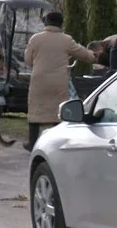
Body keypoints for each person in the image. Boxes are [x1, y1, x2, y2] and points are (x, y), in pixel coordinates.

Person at [24, 12, 96, 151]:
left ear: (46, 22)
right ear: (60, 23)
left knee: (35, 111)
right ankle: (55, 143)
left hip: (39, 80)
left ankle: (32, 142)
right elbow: (83, 54)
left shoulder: (35, 38)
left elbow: (28, 60)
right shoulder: (66, 40)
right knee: (57, 111)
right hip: (58, 81)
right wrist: (94, 56)